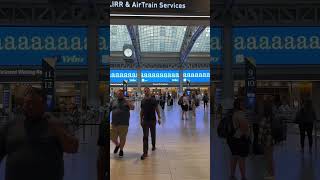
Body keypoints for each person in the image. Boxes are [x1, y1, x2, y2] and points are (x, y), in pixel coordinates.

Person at [0, 87, 79, 180]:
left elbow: (73, 148)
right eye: (27, 103)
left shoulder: (57, 124)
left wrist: (57, 128)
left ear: (44, 104)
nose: (30, 106)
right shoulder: (11, 125)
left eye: (35, 103)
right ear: (23, 104)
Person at [227, 98, 250, 180]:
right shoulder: (240, 114)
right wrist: (247, 135)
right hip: (240, 138)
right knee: (241, 158)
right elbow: (244, 127)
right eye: (243, 104)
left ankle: (232, 175)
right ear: (240, 105)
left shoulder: (232, 113)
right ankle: (243, 177)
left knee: (234, 156)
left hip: (232, 138)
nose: (245, 105)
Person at [110, 89, 135, 157]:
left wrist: (128, 103)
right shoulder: (113, 101)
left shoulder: (127, 101)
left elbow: (133, 108)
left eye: (121, 94)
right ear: (116, 94)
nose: (120, 95)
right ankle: (117, 145)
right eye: (118, 93)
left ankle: (121, 150)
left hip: (124, 123)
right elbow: (109, 109)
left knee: (122, 138)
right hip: (114, 123)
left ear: (123, 94)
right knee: (112, 137)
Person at [140, 87, 161, 160]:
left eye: (147, 91)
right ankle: (145, 153)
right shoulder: (142, 101)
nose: (146, 92)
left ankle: (153, 145)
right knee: (145, 136)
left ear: (149, 91)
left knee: (153, 134)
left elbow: (157, 109)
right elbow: (142, 111)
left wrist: (159, 118)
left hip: (152, 120)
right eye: (145, 91)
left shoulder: (153, 100)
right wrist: (140, 120)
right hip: (145, 120)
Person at [258, 100, 275, 180]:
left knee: (268, 158)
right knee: (270, 157)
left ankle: (270, 174)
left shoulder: (264, 119)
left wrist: (259, 141)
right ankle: (271, 173)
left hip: (266, 141)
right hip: (272, 140)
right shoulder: (272, 117)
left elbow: (261, 132)